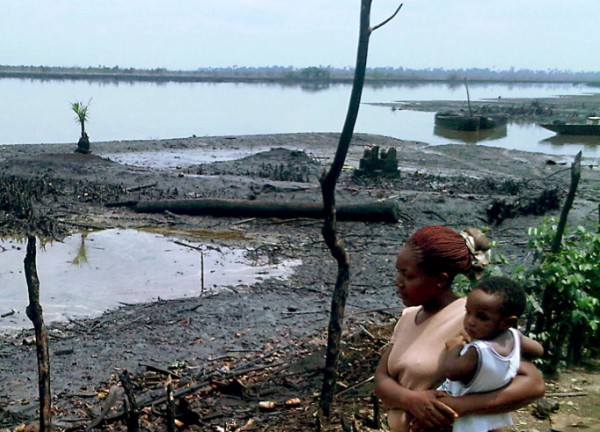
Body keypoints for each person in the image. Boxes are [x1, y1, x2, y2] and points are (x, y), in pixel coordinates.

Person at [374, 225, 545, 432]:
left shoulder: (472, 321)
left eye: (408, 276)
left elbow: (533, 384)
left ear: (441, 280)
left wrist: (458, 406)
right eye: (398, 273)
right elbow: (382, 379)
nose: (398, 282)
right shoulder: (408, 317)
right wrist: (410, 399)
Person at [439, 276, 544, 432]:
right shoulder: (515, 336)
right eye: (468, 312)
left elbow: (452, 372)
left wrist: (452, 348)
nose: (470, 321)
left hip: (465, 414)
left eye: (481, 317)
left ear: (507, 322)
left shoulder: (478, 351)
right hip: (491, 412)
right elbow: (538, 350)